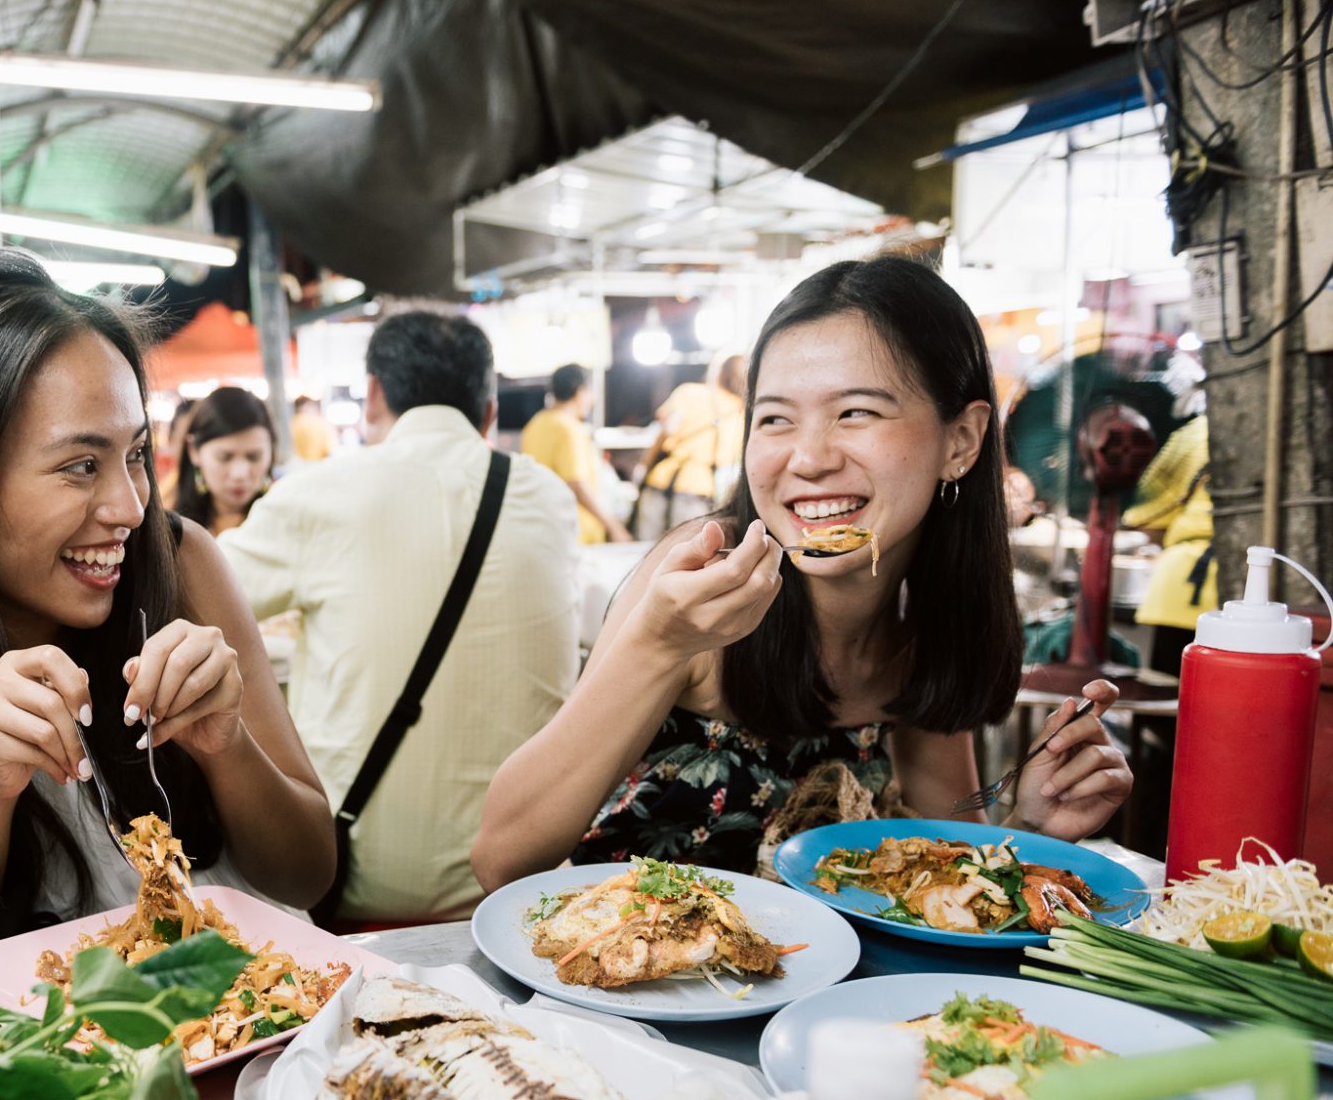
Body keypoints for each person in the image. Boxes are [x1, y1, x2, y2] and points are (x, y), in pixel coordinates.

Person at [473, 256, 1134, 885]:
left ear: (959, 441)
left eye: (856, 412)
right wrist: (658, 642)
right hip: (615, 980)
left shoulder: (921, 630)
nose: (809, 458)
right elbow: (502, 858)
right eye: (775, 419)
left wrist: (1032, 827)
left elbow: (943, 867)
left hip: (838, 1002)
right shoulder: (703, 578)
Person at [0, 250, 334, 980]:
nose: (129, 508)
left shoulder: (183, 560)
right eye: (82, 465)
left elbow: (307, 873)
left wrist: (227, 746)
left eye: (135, 453)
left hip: (241, 1023)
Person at [220, 312, 580, 923]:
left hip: (354, 893)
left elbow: (187, 594)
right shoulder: (551, 498)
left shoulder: (320, 492)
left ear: (375, 394)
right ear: (488, 409)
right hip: (526, 893)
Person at [1125, 413, 1217, 674]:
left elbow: (1146, 516)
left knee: (1169, 702)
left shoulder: (1198, 432)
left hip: (1183, 591)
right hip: (1271, 604)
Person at [634, 352, 748, 541]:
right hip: (699, 493)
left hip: (661, 482)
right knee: (686, 557)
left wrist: (644, 465)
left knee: (647, 554)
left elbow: (668, 430)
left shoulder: (690, 392)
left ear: (718, 373)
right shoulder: (743, 412)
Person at [522, 363, 632, 544]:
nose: (592, 399)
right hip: (576, 533)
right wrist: (613, 526)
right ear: (580, 392)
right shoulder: (569, 429)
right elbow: (576, 484)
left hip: (547, 530)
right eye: (591, 392)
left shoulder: (534, 424)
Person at [176, 387, 277, 535]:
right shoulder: (169, 525)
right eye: (225, 457)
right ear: (194, 451)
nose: (239, 474)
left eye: (254, 457)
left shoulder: (287, 520)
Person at [290, 394, 335, 463]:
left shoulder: (293, 423)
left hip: (300, 465)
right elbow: (329, 449)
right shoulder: (318, 422)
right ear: (307, 405)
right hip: (319, 464)